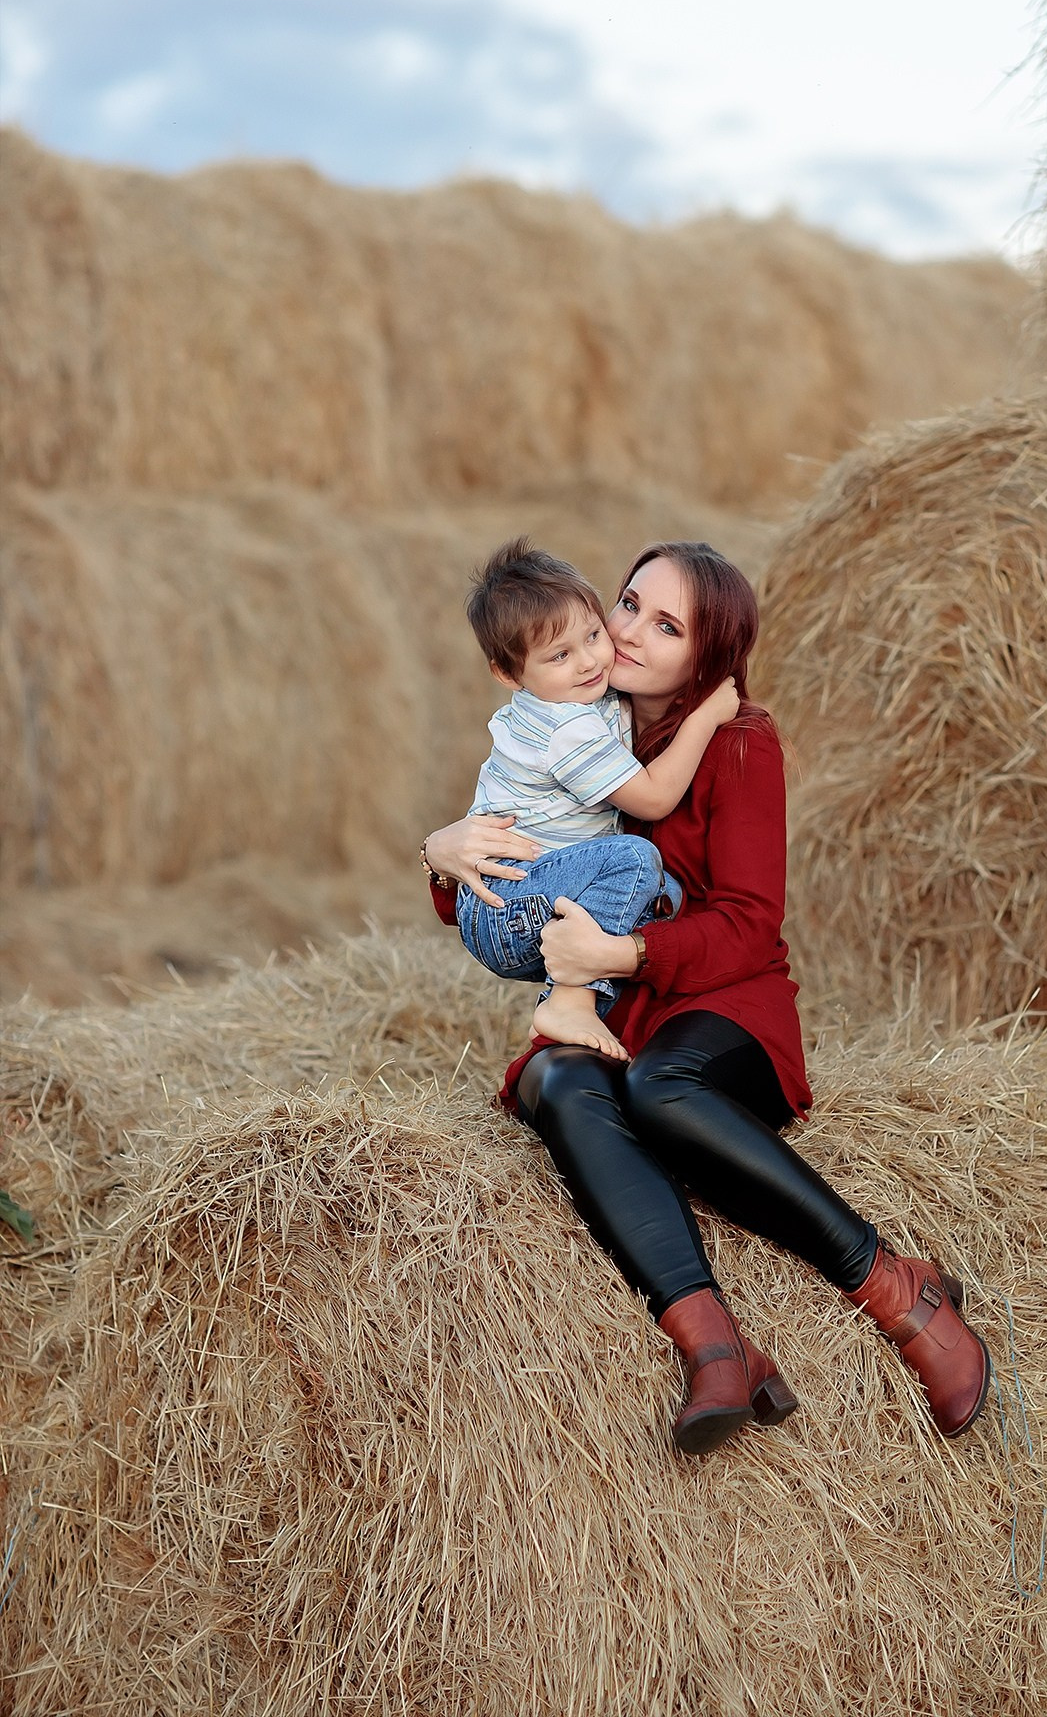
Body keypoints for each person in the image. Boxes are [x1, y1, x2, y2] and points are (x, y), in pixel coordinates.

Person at [422, 541, 991, 1456]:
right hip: (616, 1011)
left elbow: (749, 922)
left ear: (708, 653)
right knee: (562, 1085)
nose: (631, 631)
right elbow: (511, 869)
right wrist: (442, 853)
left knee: (656, 1088)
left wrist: (628, 949)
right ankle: (718, 1349)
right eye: (631, 602)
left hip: (726, 1007)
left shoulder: (736, 743)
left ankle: (895, 1288)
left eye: (668, 623)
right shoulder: (579, 711)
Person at [445, 537, 740, 1058]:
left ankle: (597, 1012)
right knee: (636, 858)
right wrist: (704, 718)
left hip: (522, 892)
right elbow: (650, 801)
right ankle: (571, 999)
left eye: (592, 636)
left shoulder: (584, 696)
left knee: (666, 897)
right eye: (560, 655)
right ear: (508, 675)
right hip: (509, 904)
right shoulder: (565, 728)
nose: (589, 662)